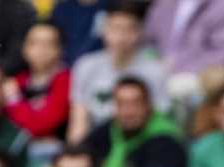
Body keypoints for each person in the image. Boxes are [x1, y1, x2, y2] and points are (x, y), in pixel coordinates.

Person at [68, 2, 168, 143]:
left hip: (139, 142)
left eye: (129, 29)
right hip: (95, 143)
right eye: (115, 28)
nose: (121, 36)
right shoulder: (85, 66)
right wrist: (75, 150)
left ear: (140, 32)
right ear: (104, 29)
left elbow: (158, 120)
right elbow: (79, 121)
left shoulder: (155, 71)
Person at [144, 0, 224, 100]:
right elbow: (148, 43)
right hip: (157, 70)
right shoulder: (162, 4)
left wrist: (177, 66)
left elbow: (221, 53)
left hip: (197, 74)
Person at [4, 20, 70, 143]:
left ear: (59, 50)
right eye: (34, 43)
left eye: (48, 44)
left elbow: (41, 126)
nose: (41, 50)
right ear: (24, 48)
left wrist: (14, 100)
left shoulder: (66, 81)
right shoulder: (16, 82)